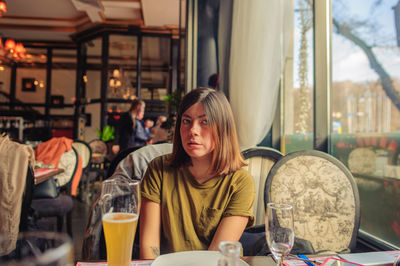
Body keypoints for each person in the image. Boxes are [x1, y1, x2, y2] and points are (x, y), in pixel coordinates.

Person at [139, 87, 255, 259]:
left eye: (205, 121)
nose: (193, 130)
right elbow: (149, 249)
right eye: (186, 121)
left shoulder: (240, 182)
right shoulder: (158, 170)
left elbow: (216, 257)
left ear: (223, 128)